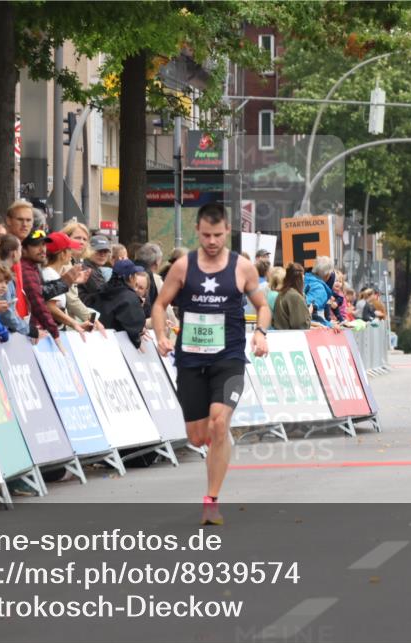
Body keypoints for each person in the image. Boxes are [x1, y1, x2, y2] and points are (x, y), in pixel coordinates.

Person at [152, 202, 270, 526]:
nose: (212, 241)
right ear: (197, 231)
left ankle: (211, 501)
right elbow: (160, 305)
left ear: (226, 232)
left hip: (229, 358)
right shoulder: (183, 267)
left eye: (218, 235)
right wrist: (162, 335)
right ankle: (212, 446)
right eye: (206, 235)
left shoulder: (242, 267)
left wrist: (260, 333)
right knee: (196, 436)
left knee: (220, 424)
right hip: (190, 360)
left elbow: (262, 306)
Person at [41, 231, 90, 336]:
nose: (71, 253)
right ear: (62, 254)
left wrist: (72, 280)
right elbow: (50, 307)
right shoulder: (50, 274)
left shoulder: (51, 273)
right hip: (50, 333)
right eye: (69, 249)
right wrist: (74, 323)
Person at [94, 259, 148, 348]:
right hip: (117, 348)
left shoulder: (101, 290)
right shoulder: (129, 298)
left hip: (96, 341)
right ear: (131, 277)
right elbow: (135, 330)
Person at [20, 228, 62, 340]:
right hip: (28, 334)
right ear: (23, 249)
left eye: (43, 245)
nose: (42, 249)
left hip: (31, 331)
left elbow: (42, 294)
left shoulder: (33, 267)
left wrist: (66, 281)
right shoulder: (26, 269)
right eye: (36, 245)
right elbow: (37, 302)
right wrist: (55, 333)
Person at [272, 263, 312, 330]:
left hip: (282, 335)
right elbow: (301, 326)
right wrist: (309, 312)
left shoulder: (282, 294)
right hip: (291, 337)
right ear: (300, 279)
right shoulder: (295, 296)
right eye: (303, 279)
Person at [80, 235, 112, 305]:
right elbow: (105, 293)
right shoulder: (88, 269)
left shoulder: (93, 267)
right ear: (89, 251)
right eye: (99, 251)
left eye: (105, 251)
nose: (102, 255)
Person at [304, 256, 336, 327]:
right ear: (328, 275)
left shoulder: (305, 278)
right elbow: (312, 314)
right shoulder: (319, 289)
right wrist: (329, 325)